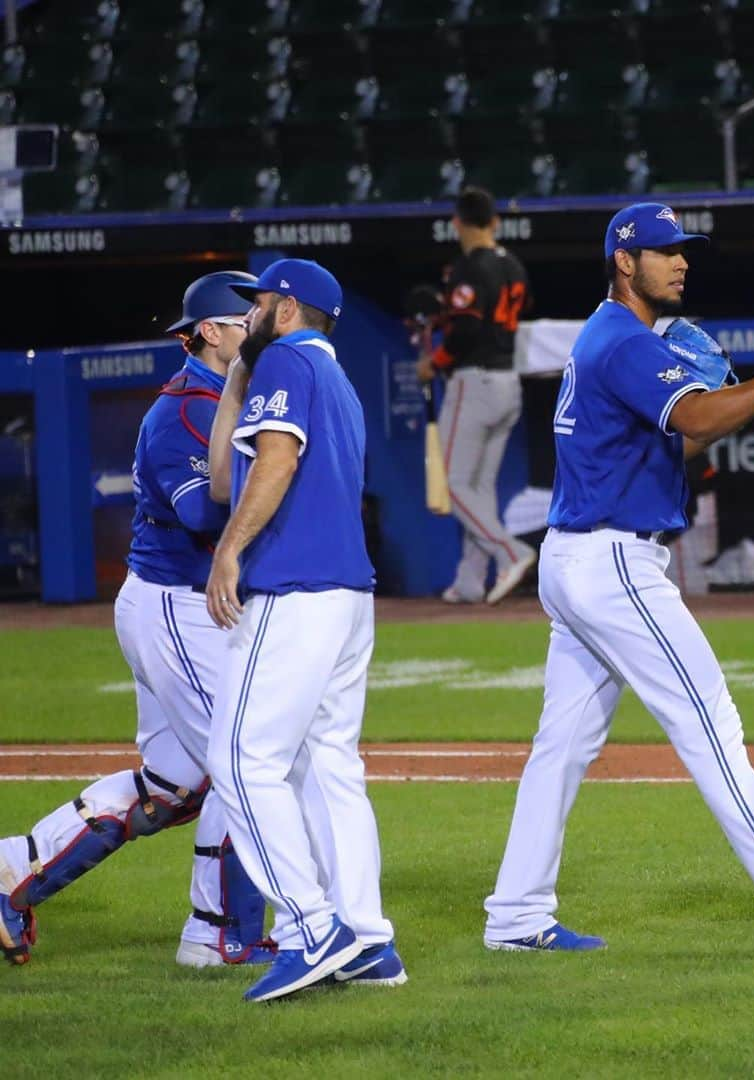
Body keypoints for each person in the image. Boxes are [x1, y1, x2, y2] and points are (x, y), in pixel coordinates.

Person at [483, 202, 754, 952]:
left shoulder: (610, 335)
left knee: (560, 746)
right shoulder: (624, 341)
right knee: (708, 716)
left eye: (684, 251)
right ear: (625, 262)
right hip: (609, 562)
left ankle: (517, 914)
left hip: (582, 557)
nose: (681, 261)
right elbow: (695, 424)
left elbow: (675, 446)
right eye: (665, 252)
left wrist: (727, 401)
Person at [0, 271, 275, 969]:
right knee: (244, 762)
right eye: (247, 321)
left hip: (183, 606)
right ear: (210, 332)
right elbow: (202, 513)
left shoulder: (227, 397)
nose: (259, 329)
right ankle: (216, 933)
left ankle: (11, 871)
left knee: (171, 785)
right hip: (176, 605)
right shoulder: (183, 409)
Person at [203, 258, 405, 1003]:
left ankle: (314, 928)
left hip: (297, 586)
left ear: (286, 309)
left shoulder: (288, 359)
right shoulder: (330, 374)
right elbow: (226, 478)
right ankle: (367, 939)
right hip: (348, 594)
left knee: (241, 759)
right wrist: (235, 379)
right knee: (329, 768)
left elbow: (275, 460)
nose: (249, 315)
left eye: (258, 304)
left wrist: (229, 550)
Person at [416, 185, 536, 605]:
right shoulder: (514, 265)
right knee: (479, 488)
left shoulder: (470, 267)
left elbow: (466, 327)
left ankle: (510, 553)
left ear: (457, 223)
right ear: (496, 222)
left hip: (475, 381)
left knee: (453, 484)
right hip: (508, 382)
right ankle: (469, 579)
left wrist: (435, 361)